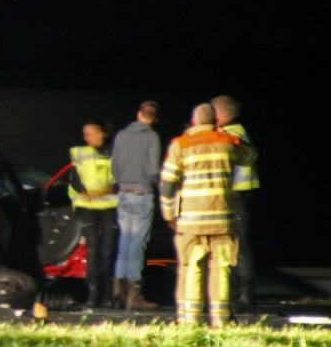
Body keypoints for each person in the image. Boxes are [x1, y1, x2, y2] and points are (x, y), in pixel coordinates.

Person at [160, 103, 256, 327]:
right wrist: (226, 135)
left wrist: (168, 214)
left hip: (190, 221)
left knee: (191, 267)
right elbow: (250, 156)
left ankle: (190, 320)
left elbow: (167, 184)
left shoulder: (180, 144)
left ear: (193, 122)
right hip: (222, 220)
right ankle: (221, 320)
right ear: (216, 122)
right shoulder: (227, 142)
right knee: (221, 268)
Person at [211, 95, 260, 312]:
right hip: (239, 195)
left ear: (221, 114)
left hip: (236, 195)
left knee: (238, 245)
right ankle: (240, 292)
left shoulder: (230, 135)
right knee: (237, 244)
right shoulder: (237, 132)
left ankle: (243, 294)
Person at [111, 101, 161, 309]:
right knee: (136, 247)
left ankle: (117, 294)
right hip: (142, 194)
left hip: (123, 194)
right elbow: (154, 169)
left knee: (124, 244)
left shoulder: (121, 135)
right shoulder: (152, 137)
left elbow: (114, 166)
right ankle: (134, 295)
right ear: (155, 118)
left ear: (138, 113)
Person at [69, 120, 118, 307]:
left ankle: (107, 295)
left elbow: (121, 177)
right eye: (85, 134)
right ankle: (93, 294)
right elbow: (74, 179)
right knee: (92, 251)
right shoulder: (80, 153)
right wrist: (84, 192)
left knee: (107, 251)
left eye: (90, 133)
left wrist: (111, 189)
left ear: (102, 133)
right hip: (87, 206)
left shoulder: (115, 152)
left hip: (109, 205)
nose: (86, 137)